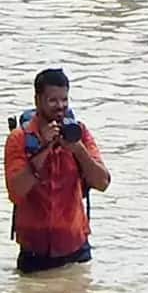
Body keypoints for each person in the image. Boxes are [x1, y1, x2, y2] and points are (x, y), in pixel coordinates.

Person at [4, 66, 110, 274]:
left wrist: (78, 149)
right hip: (34, 253)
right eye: (53, 100)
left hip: (76, 249)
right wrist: (44, 146)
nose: (59, 106)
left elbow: (103, 182)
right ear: (37, 101)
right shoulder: (19, 138)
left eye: (64, 100)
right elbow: (15, 191)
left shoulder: (79, 133)